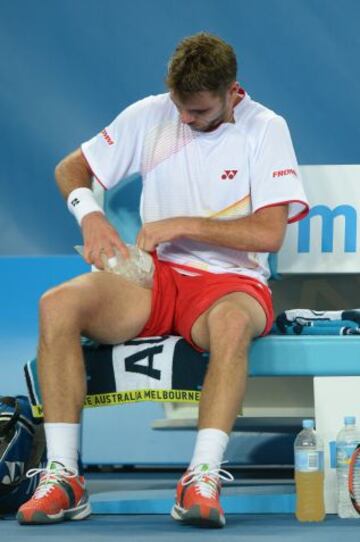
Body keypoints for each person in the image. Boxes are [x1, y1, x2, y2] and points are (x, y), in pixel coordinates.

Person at [17, 32, 309, 528]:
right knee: (56, 305)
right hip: (154, 279)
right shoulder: (152, 114)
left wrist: (183, 224)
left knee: (233, 328)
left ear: (231, 92)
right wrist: (90, 215)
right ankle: (65, 476)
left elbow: (269, 233)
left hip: (230, 282)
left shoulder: (266, 127)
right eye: (180, 107)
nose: (186, 119)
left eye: (197, 111)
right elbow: (71, 169)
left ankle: (201, 476)